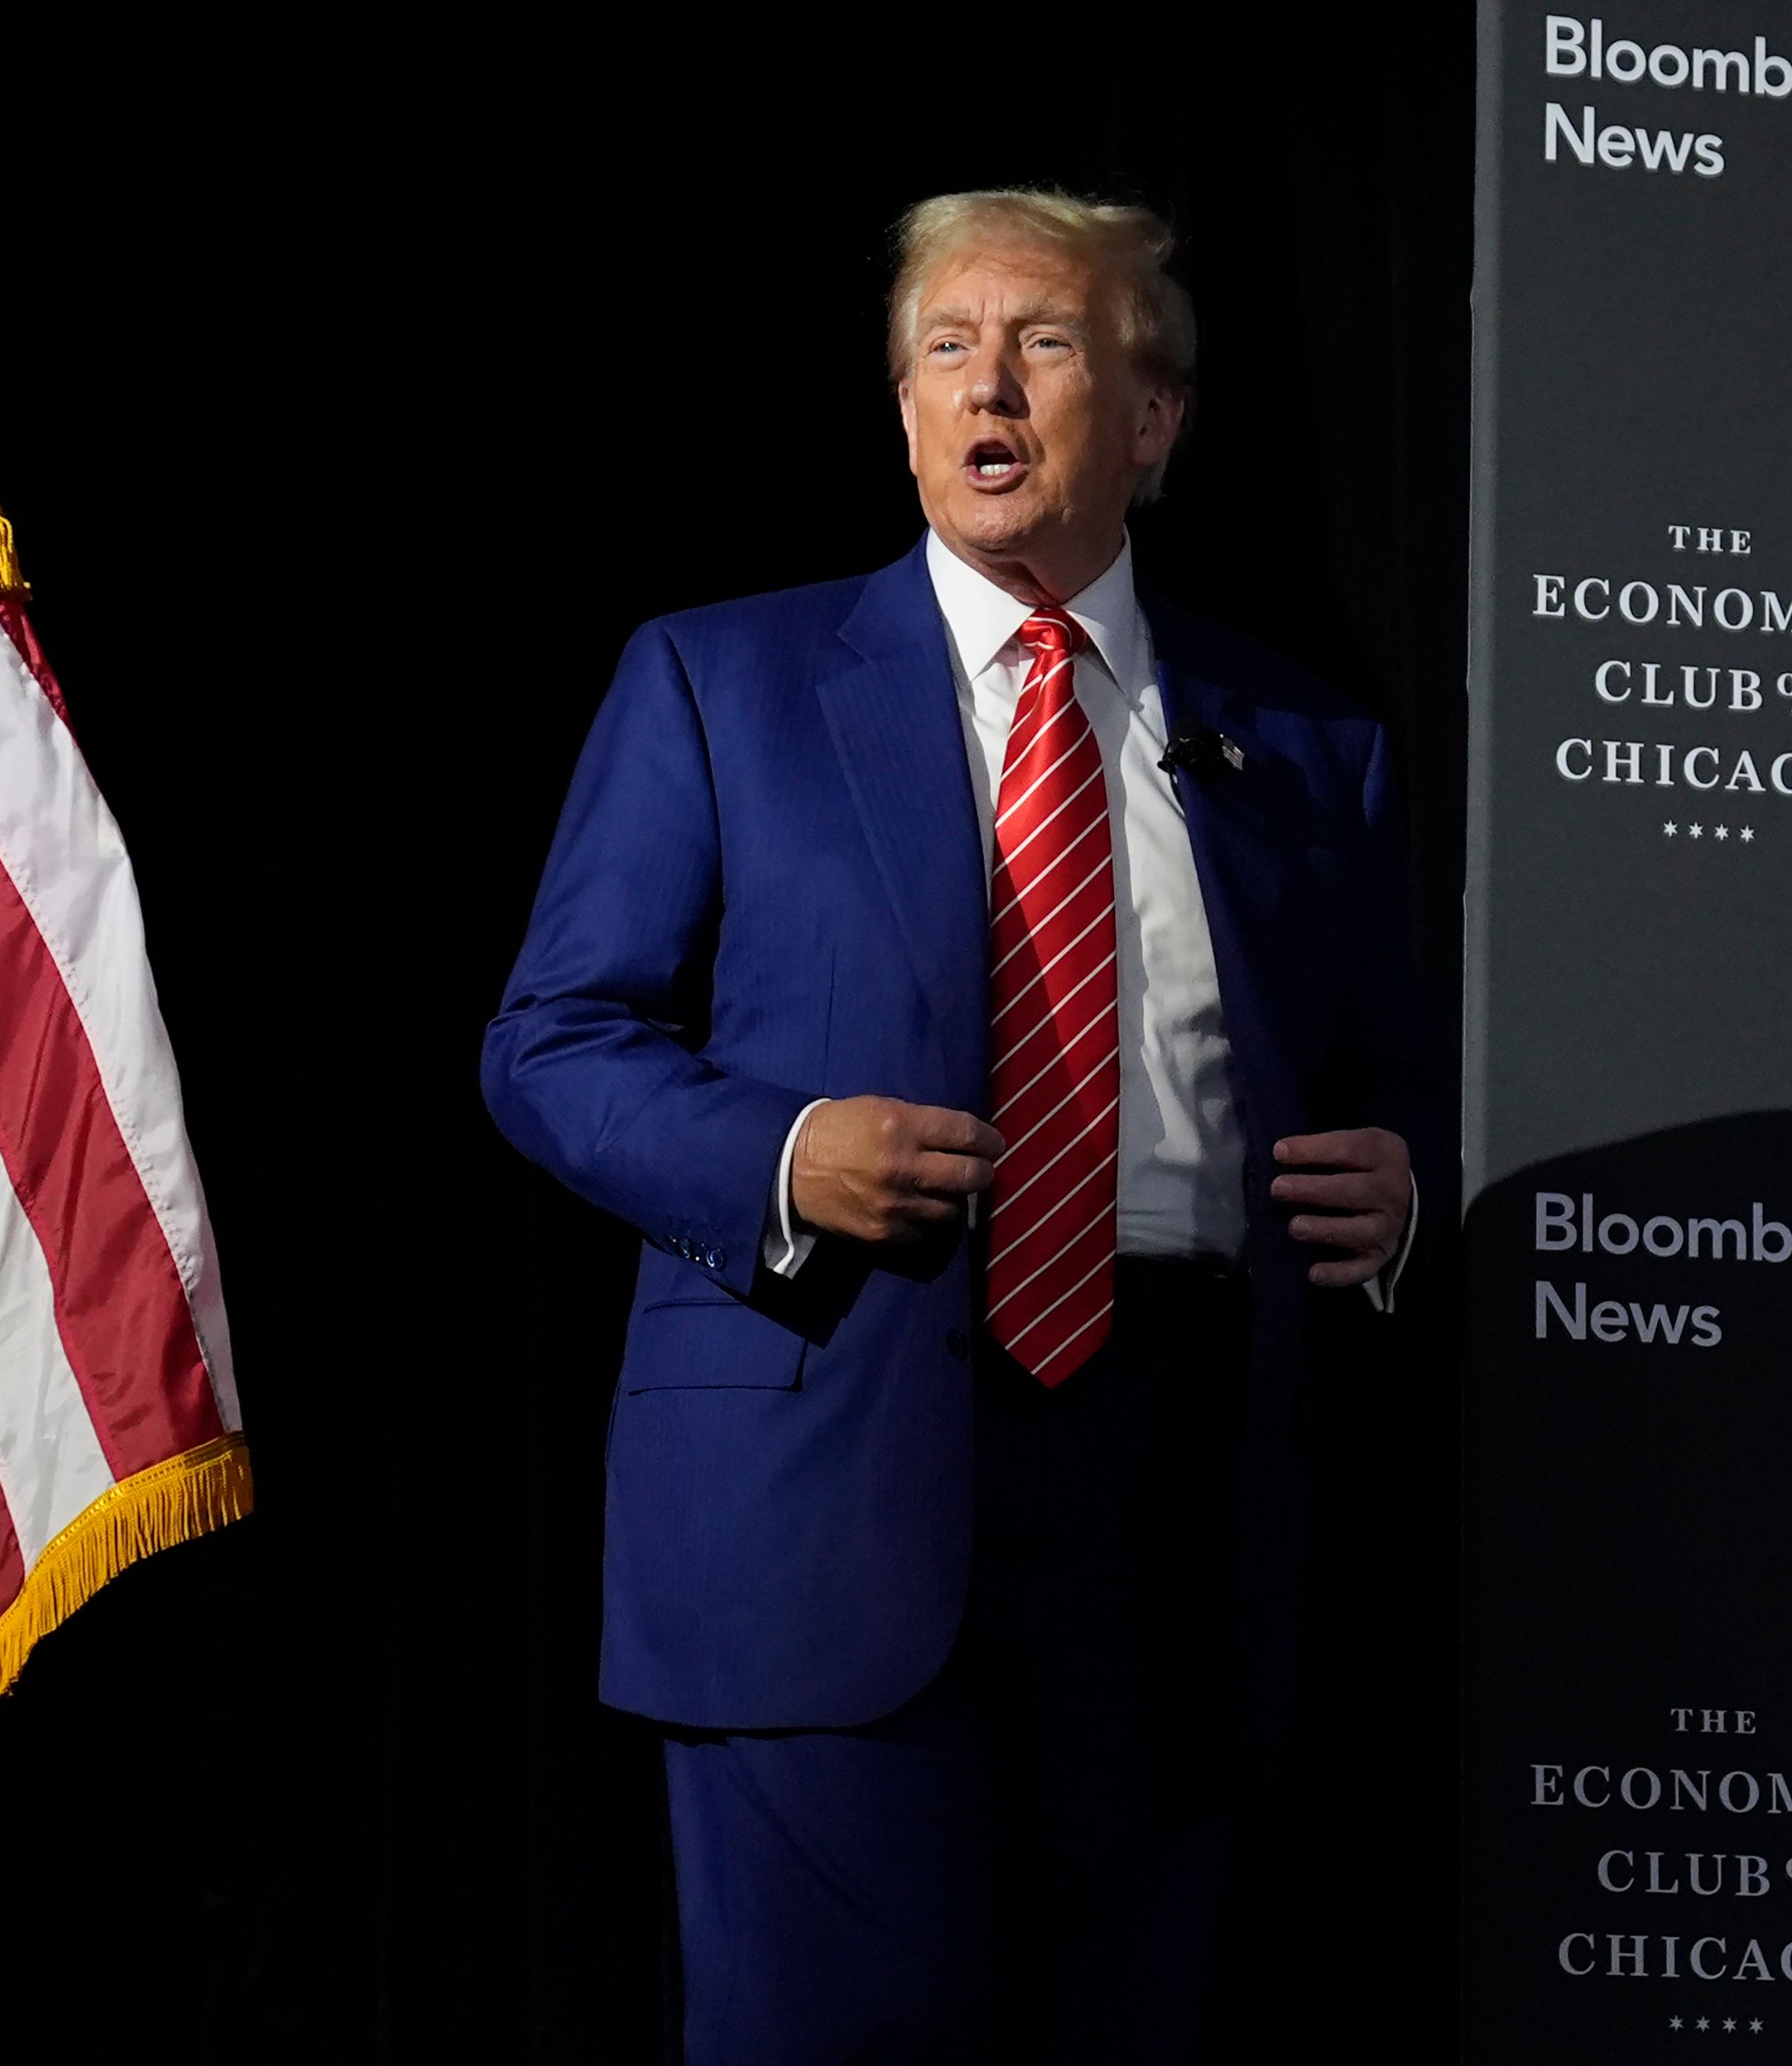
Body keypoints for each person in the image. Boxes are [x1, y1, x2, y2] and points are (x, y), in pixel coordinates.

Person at [482, 188, 1443, 2064]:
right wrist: (778, 1156)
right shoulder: (722, 680)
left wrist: (1401, 1185)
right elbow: (550, 1041)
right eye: (947, 347)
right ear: (908, 412)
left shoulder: (1312, 745)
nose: (987, 383)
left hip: (1169, 1495)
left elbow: (1390, 1076)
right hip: (824, 1464)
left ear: (1154, 421)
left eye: (1049, 343)